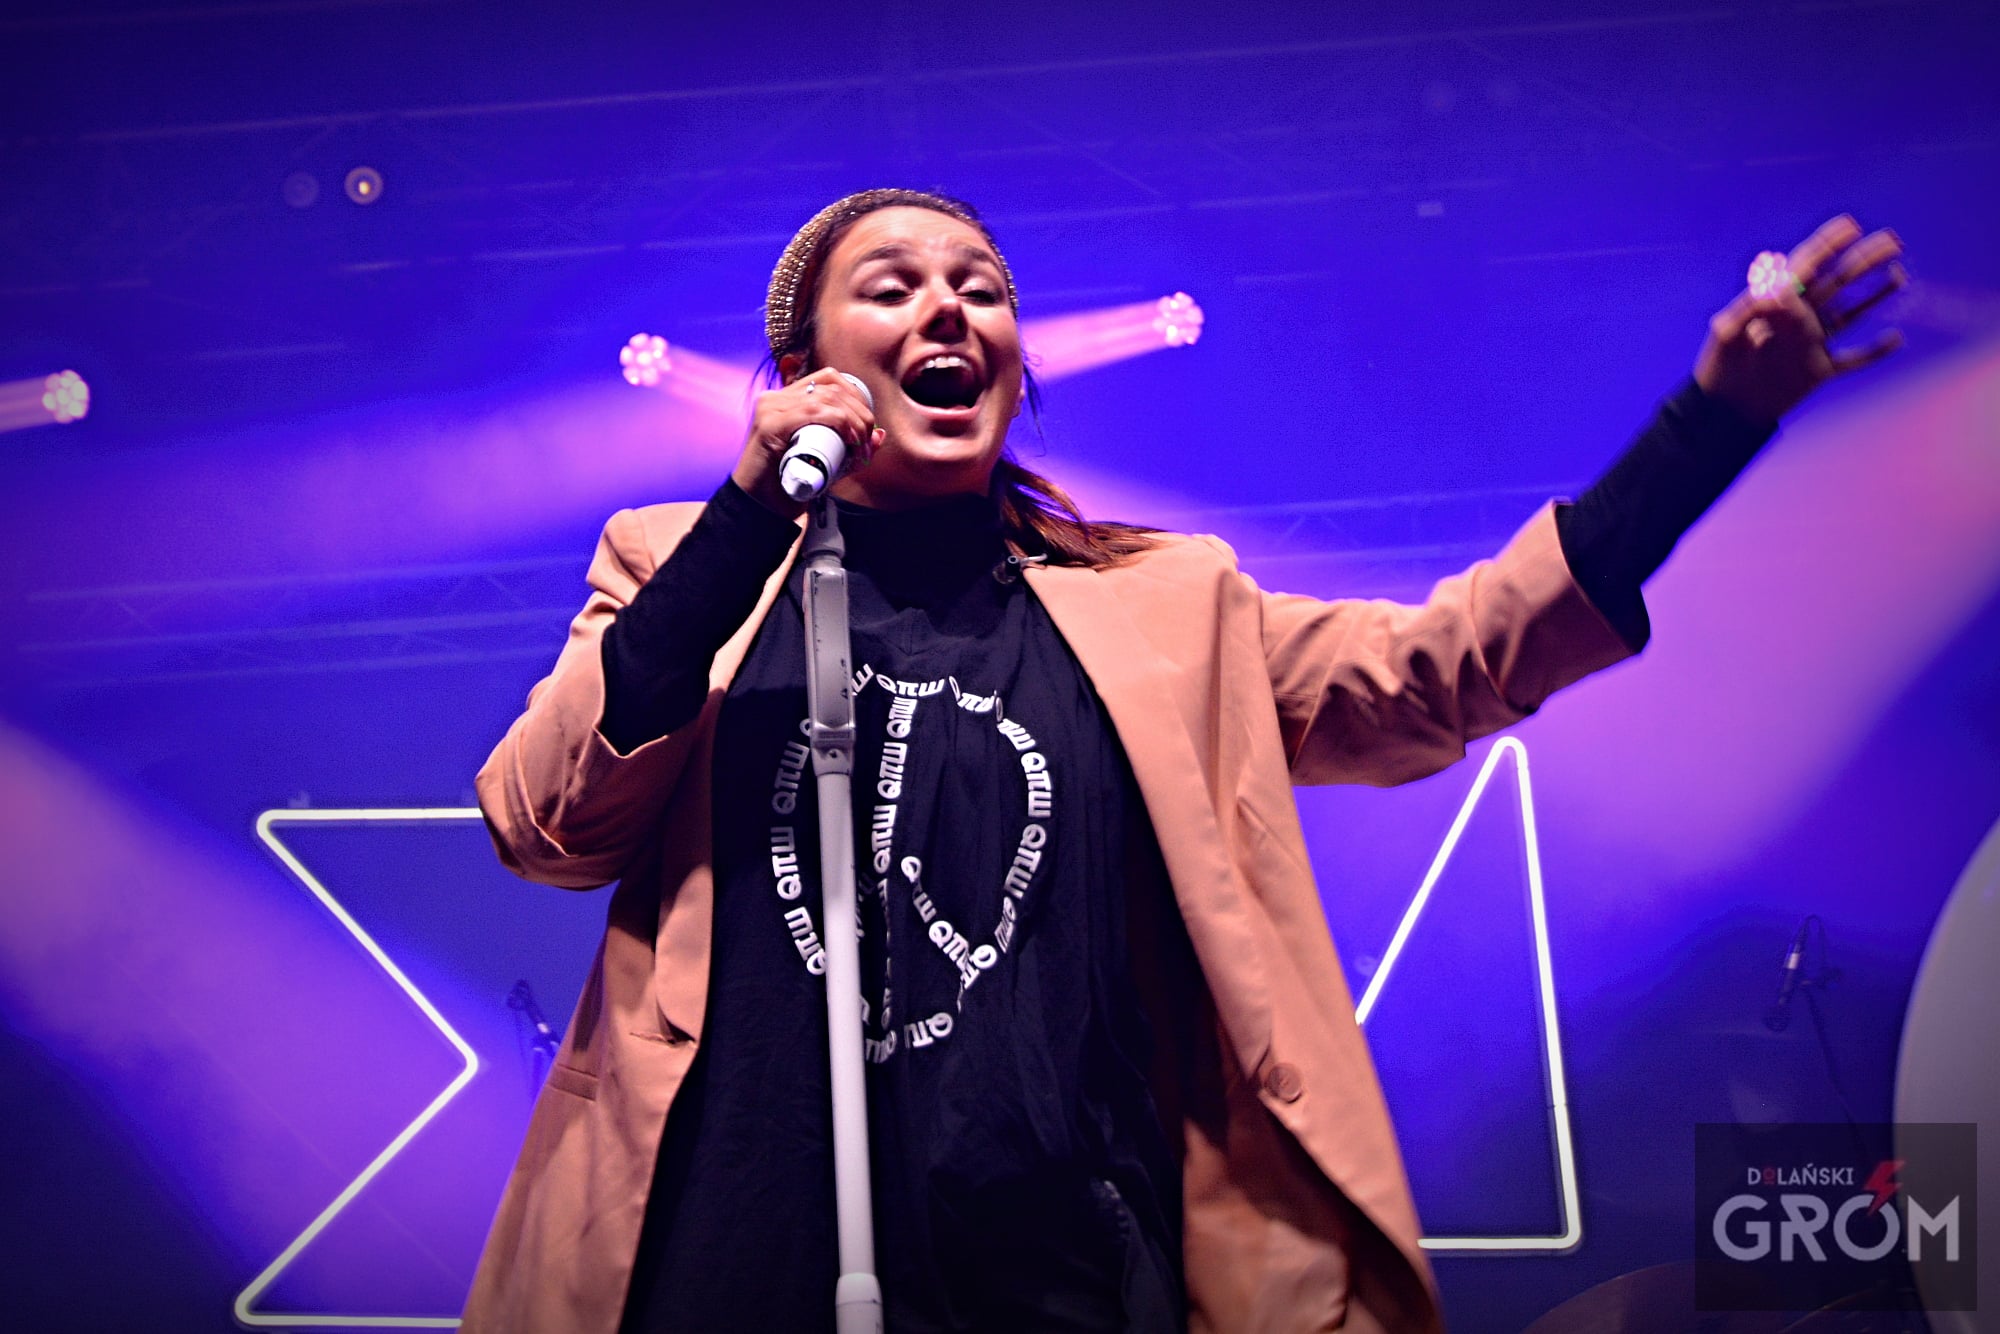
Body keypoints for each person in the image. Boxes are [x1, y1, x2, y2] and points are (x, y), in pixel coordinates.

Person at [460, 189, 1905, 1334]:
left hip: (1057, 1265)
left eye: (981, 288)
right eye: (892, 288)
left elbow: (1448, 662)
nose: (949, 308)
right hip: (733, 1251)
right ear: (801, 372)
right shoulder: (682, 565)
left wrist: (1707, 427)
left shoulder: (1170, 605)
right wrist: (742, 519)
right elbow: (545, 821)